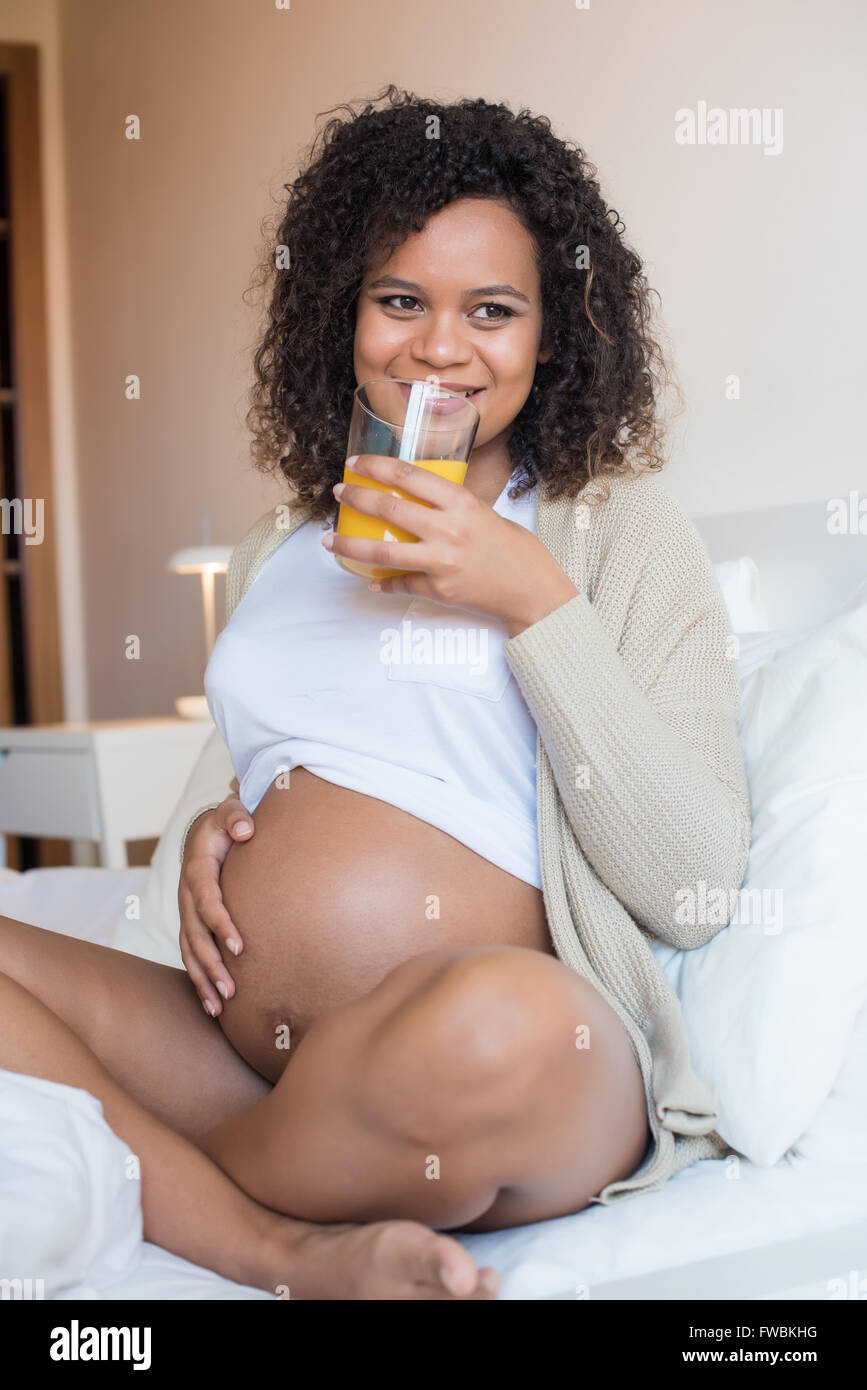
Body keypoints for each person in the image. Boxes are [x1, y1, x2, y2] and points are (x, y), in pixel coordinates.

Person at [0, 86, 751, 1301]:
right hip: (258, 1066)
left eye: (492, 311)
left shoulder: (612, 535)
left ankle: (161, 1174)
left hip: (507, 1064)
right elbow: (250, 807)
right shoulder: (278, 549)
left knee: (495, 1025)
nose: (439, 346)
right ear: (343, 315)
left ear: (551, 334)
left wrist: (531, 600)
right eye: (400, 299)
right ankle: (275, 1240)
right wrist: (203, 840)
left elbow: (695, 880)